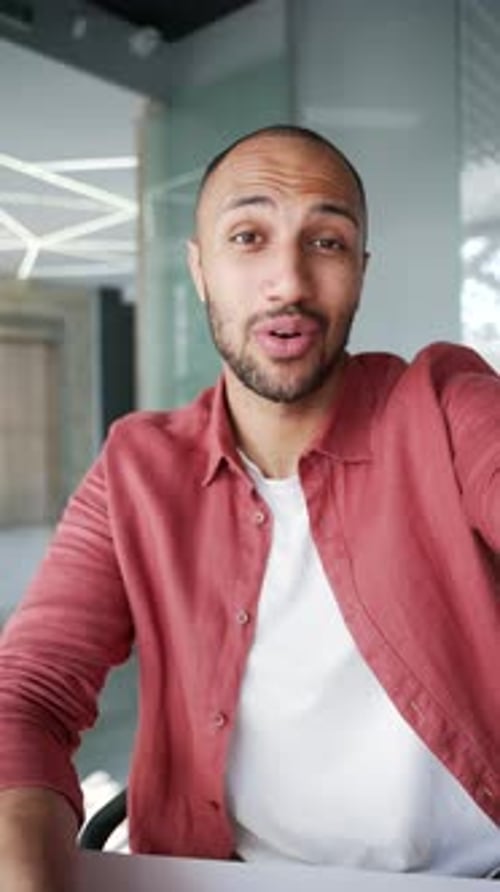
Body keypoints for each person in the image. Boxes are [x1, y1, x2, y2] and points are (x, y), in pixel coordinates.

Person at [0, 123, 499, 890]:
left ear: (360, 272)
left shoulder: (448, 408)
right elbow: (27, 693)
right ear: (200, 270)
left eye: (326, 242)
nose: (289, 282)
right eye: (248, 236)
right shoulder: (136, 469)